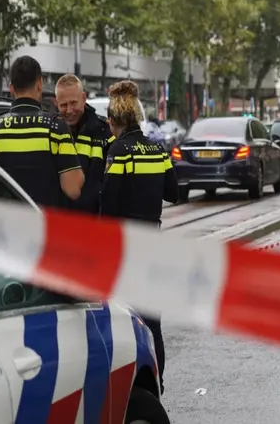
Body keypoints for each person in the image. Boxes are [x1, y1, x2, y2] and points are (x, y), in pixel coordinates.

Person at [99, 80, 178, 395]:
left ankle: (132, 387)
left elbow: (109, 205)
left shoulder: (117, 151)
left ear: (113, 121)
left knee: (124, 318)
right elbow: (173, 192)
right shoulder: (157, 149)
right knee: (153, 321)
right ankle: (156, 383)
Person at [0, 56, 84, 207]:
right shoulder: (55, 129)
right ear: (39, 84)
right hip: (44, 225)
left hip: (6, 225)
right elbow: (72, 190)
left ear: (11, 88)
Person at [54, 73, 113, 213]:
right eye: (63, 105)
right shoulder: (51, 131)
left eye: (73, 103)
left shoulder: (105, 132)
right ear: (56, 103)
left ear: (84, 98)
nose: (69, 110)